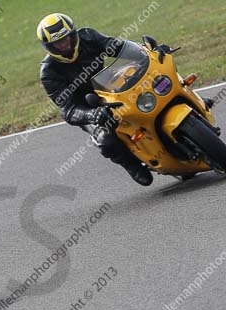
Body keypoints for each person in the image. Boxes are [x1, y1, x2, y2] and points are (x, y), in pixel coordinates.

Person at [37, 13, 154, 186]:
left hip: (108, 86)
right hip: (87, 107)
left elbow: (117, 47)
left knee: (151, 80)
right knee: (106, 139)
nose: (64, 44)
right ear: (49, 46)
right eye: (57, 43)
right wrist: (92, 115)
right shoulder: (49, 72)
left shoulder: (88, 36)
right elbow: (68, 110)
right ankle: (131, 164)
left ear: (73, 34)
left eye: (66, 38)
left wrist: (146, 52)